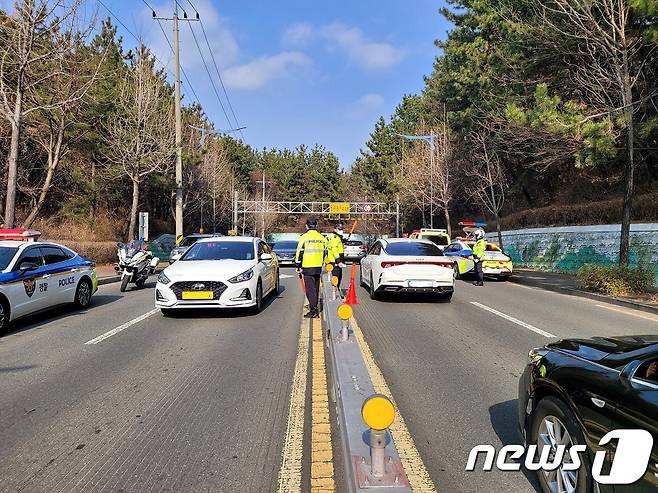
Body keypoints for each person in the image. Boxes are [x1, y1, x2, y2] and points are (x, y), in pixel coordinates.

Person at [295, 217, 334, 318]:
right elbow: (326, 252)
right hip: (318, 267)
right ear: (316, 226)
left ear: (307, 226)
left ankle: (313, 310)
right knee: (315, 288)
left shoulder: (304, 237)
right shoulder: (322, 238)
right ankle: (314, 305)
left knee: (310, 289)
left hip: (307, 266)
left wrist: (298, 265)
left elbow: (299, 252)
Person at [327, 223, 346, 289]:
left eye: (342, 229)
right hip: (334, 261)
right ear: (335, 229)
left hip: (337, 260)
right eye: (339, 229)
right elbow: (334, 250)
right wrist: (338, 261)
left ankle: (336, 290)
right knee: (336, 277)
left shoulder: (338, 237)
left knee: (339, 276)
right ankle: (334, 292)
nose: (341, 230)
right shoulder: (334, 238)